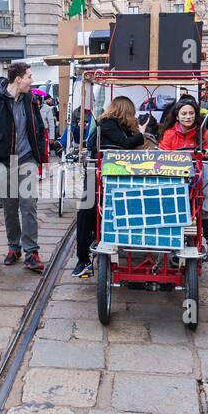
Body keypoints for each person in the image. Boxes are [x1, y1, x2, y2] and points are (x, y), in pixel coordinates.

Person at [0, 63, 48, 272]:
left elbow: (37, 126)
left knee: (29, 206)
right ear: (18, 79)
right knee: (9, 208)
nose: (31, 80)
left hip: (26, 159)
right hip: (4, 162)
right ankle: (13, 247)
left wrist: (39, 151)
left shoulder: (29, 99)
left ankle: (31, 252)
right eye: (29, 76)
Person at [73, 96, 145, 278]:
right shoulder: (108, 124)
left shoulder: (112, 125)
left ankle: (91, 252)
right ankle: (83, 259)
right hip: (97, 175)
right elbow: (126, 144)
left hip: (101, 175)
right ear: (125, 111)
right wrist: (141, 134)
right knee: (88, 213)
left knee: (92, 213)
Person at [160, 97, 208, 251]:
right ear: (177, 116)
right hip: (175, 177)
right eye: (184, 114)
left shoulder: (203, 132)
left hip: (197, 178)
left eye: (191, 113)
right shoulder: (169, 133)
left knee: (202, 202)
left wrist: (207, 153)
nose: (188, 117)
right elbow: (163, 153)